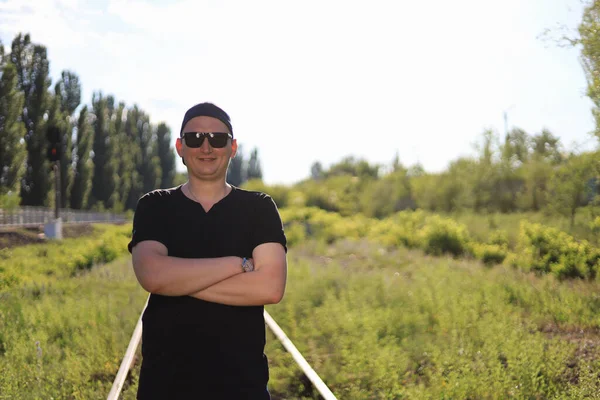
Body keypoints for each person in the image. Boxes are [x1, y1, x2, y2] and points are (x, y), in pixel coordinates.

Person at [127, 102, 287, 399]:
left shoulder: (259, 208)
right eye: (194, 138)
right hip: (165, 385)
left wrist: (176, 281)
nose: (206, 146)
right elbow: (152, 275)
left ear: (233, 147)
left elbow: (271, 287)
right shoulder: (155, 206)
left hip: (242, 386)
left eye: (217, 138)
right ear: (179, 147)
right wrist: (237, 264)